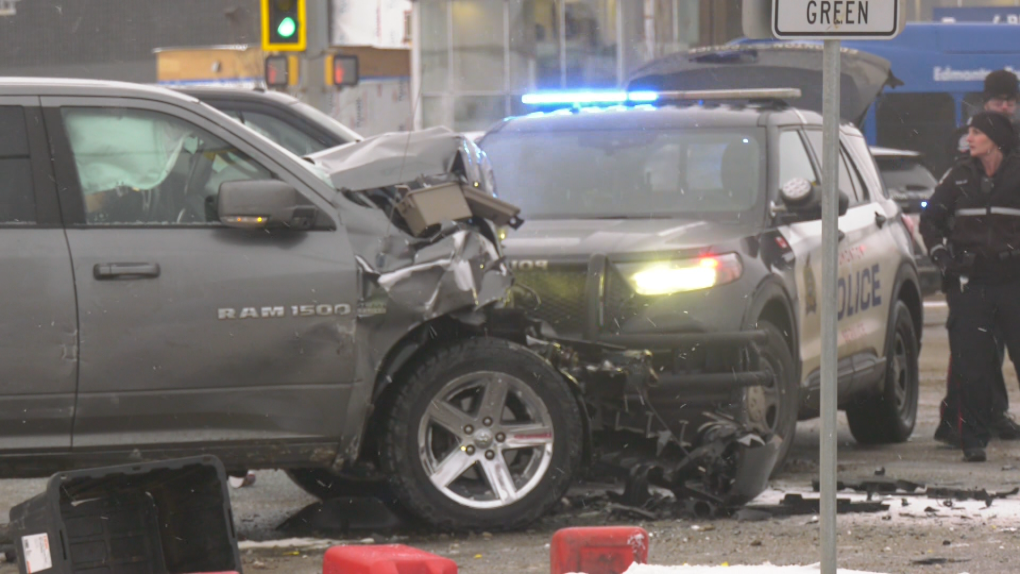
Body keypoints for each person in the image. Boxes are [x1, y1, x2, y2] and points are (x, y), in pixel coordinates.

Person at [922, 111, 1020, 462]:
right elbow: (930, 219)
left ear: (995, 139)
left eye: (977, 132)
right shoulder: (959, 177)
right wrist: (943, 259)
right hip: (971, 284)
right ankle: (974, 440)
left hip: (1014, 283)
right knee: (972, 364)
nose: (970, 138)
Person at [948, 69, 1020, 159]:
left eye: (1010, 103)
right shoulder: (967, 136)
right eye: (998, 102)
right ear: (986, 105)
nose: (1004, 107)